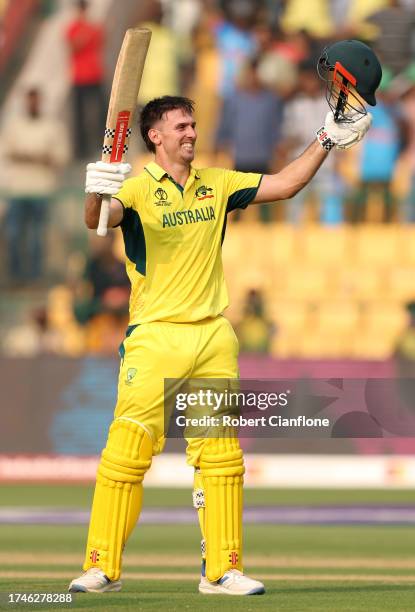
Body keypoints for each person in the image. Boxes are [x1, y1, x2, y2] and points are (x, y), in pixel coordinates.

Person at [68, 81, 372, 594]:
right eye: (181, 126)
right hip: (156, 335)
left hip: (212, 335)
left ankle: (222, 570)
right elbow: (99, 218)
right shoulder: (137, 188)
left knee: (221, 457)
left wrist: (326, 137)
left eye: (193, 124)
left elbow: (284, 185)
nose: (191, 133)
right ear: (155, 136)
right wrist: (96, 188)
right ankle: (101, 566)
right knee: (128, 451)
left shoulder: (218, 182)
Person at [2, 87, 70, 283]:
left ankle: (33, 279)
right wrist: (37, 156)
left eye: (36, 101)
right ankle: (15, 278)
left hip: (42, 191)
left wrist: (28, 156)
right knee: (14, 235)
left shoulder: (53, 127)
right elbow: (9, 153)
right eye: (30, 101)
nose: (33, 104)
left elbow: (58, 158)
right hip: (17, 191)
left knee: (36, 238)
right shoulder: (14, 125)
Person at [65, 0, 105, 159]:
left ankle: (102, 144)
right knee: (78, 116)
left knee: (102, 111)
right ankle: (80, 150)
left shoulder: (92, 27)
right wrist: (85, 35)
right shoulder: (73, 28)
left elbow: (100, 42)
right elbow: (75, 46)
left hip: (95, 75)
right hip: (79, 77)